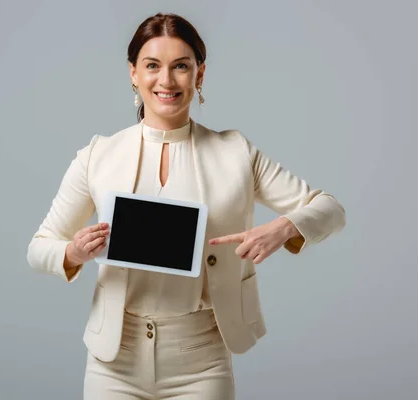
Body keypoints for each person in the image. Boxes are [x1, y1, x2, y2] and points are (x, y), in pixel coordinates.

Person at [27, 12, 346, 399]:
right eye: (152, 66)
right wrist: (73, 252)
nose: (166, 80)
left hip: (202, 361)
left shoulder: (235, 152)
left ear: (199, 74)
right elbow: (38, 248)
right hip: (114, 361)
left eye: (181, 66)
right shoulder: (98, 155)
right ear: (133, 73)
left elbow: (330, 209)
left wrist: (284, 228)